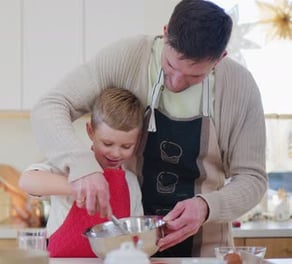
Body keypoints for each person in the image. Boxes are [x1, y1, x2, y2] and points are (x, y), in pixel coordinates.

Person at [30, 0, 267, 258]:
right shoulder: (127, 58)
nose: (176, 83)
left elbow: (252, 179)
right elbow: (51, 106)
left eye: (194, 76)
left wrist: (207, 207)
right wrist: (82, 166)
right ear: (165, 34)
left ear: (220, 58)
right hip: (127, 250)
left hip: (205, 251)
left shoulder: (239, 87)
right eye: (171, 66)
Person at [19, 87, 144, 257]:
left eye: (126, 146)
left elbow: (137, 240)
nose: (116, 153)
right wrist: (80, 185)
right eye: (107, 144)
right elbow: (27, 181)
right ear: (90, 131)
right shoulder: (73, 165)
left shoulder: (130, 181)